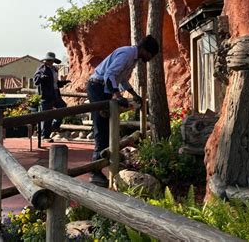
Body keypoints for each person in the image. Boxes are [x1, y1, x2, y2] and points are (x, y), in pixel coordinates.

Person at [87, 35, 160, 187]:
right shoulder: (126, 53)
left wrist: (133, 94)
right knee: (101, 126)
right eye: (150, 55)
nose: (149, 58)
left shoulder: (132, 58)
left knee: (108, 126)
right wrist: (117, 95)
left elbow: (122, 79)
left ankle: (104, 162)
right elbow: (110, 74)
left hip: (104, 87)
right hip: (97, 86)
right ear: (145, 50)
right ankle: (95, 171)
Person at [34, 52, 70, 143]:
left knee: (63, 107)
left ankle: (55, 125)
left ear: (53, 61)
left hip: (55, 93)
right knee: (47, 116)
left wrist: (63, 83)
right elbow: (36, 80)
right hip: (46, 95)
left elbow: (55, 83)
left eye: (51, 60)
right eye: (48, 60)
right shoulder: (41, 69)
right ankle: (45, 136)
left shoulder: (54, 69)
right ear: (45, 60)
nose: (49, 62)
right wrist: (42, 77)